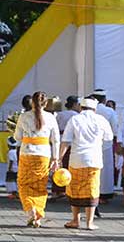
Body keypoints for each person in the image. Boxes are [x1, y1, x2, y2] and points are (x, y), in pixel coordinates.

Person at [60, 97, 114, 230]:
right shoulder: (101, 120)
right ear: (95, 108)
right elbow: (109, 137)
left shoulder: (75, 119)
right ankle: (89, 223)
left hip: (76, 159)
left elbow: (65, 141)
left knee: (75, 189)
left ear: (81, 107)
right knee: (92, 189)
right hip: (94, 159)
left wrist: (59, 158)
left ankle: (75, 220)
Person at [13, 92, 60, 227]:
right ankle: (38, 215)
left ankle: (30, 210)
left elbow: (17, 137)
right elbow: (56, 140)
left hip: (26, 153)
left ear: (32, 103)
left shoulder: (24, 116)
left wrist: (29, 138)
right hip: (43, 154)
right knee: (40, 185)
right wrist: (55, 159)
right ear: (46, 104)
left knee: (24, 183)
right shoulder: (51, 117)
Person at [91, 89, 118, 199]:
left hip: (92, 143)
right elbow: (115, 128)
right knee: (106, 169)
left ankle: (92, 191)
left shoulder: (91, 110)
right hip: (106, 143)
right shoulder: (109, 111)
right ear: (104, 99)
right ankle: (104, 193)